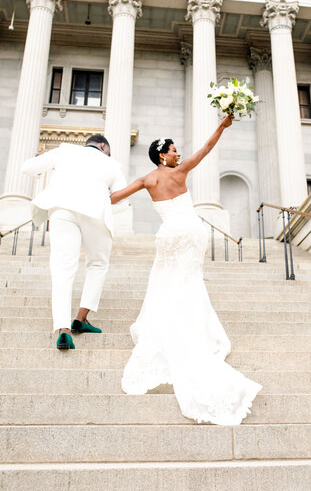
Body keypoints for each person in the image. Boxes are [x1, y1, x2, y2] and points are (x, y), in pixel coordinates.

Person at [111, 115, 261, 425]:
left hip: (168, 234)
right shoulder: (180, 171)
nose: (179, 154)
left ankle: (167, 326)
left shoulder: (145, 180)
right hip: (191, 231)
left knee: (165, 283)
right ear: (163, 154)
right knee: (189, 283)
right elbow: (206, 148)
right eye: (175, 150)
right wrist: (221, 125)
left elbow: (114, 197)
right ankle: (189, 331)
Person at [22, 135, 127, 350]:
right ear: (104, 146)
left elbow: (27, 168)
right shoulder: (113, 164)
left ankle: (63, 330)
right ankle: (81, 318)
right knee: (97, 264)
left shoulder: (63, 150)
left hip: (61, 210)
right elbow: (122, 202)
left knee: (62, 269)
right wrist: (103, 204)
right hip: (95, 213)